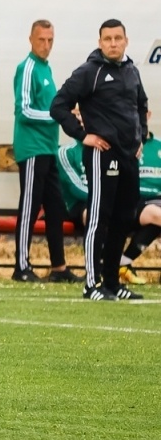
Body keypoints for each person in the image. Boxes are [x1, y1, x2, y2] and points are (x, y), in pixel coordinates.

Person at [50, 19, 148, 301]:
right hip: (101, 155)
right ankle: (91, 284)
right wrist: (83, 135)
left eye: (118, 38)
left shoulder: (132, 71)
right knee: (98, 218)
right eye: (108, 39)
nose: (113, 43)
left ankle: (112, 283)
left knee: (123, 220)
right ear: (100, 42)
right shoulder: (89, 72)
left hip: (129, 157)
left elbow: (141, 105)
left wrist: (140, 137)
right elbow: (58, 106)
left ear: (126, 41)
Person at [10, 20, 75, 283]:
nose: (46, 45)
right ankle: (21, 267)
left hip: (48, 149)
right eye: (41, 40)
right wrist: (57, 115)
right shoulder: (27, 68)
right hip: (32, 148)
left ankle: (58, 268)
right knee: (30, 207)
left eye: (50, 40)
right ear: (31, 39)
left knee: (56, 208)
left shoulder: (46, 69)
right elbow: (23, 109)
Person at [118, 124, 161, 285]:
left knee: (155, 220)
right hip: (132, 201)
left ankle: (122, 263)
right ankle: (121, 263)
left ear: (148, 115)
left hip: (157, 200)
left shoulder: (158, 146)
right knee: (155, 214)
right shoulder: (123, 143)